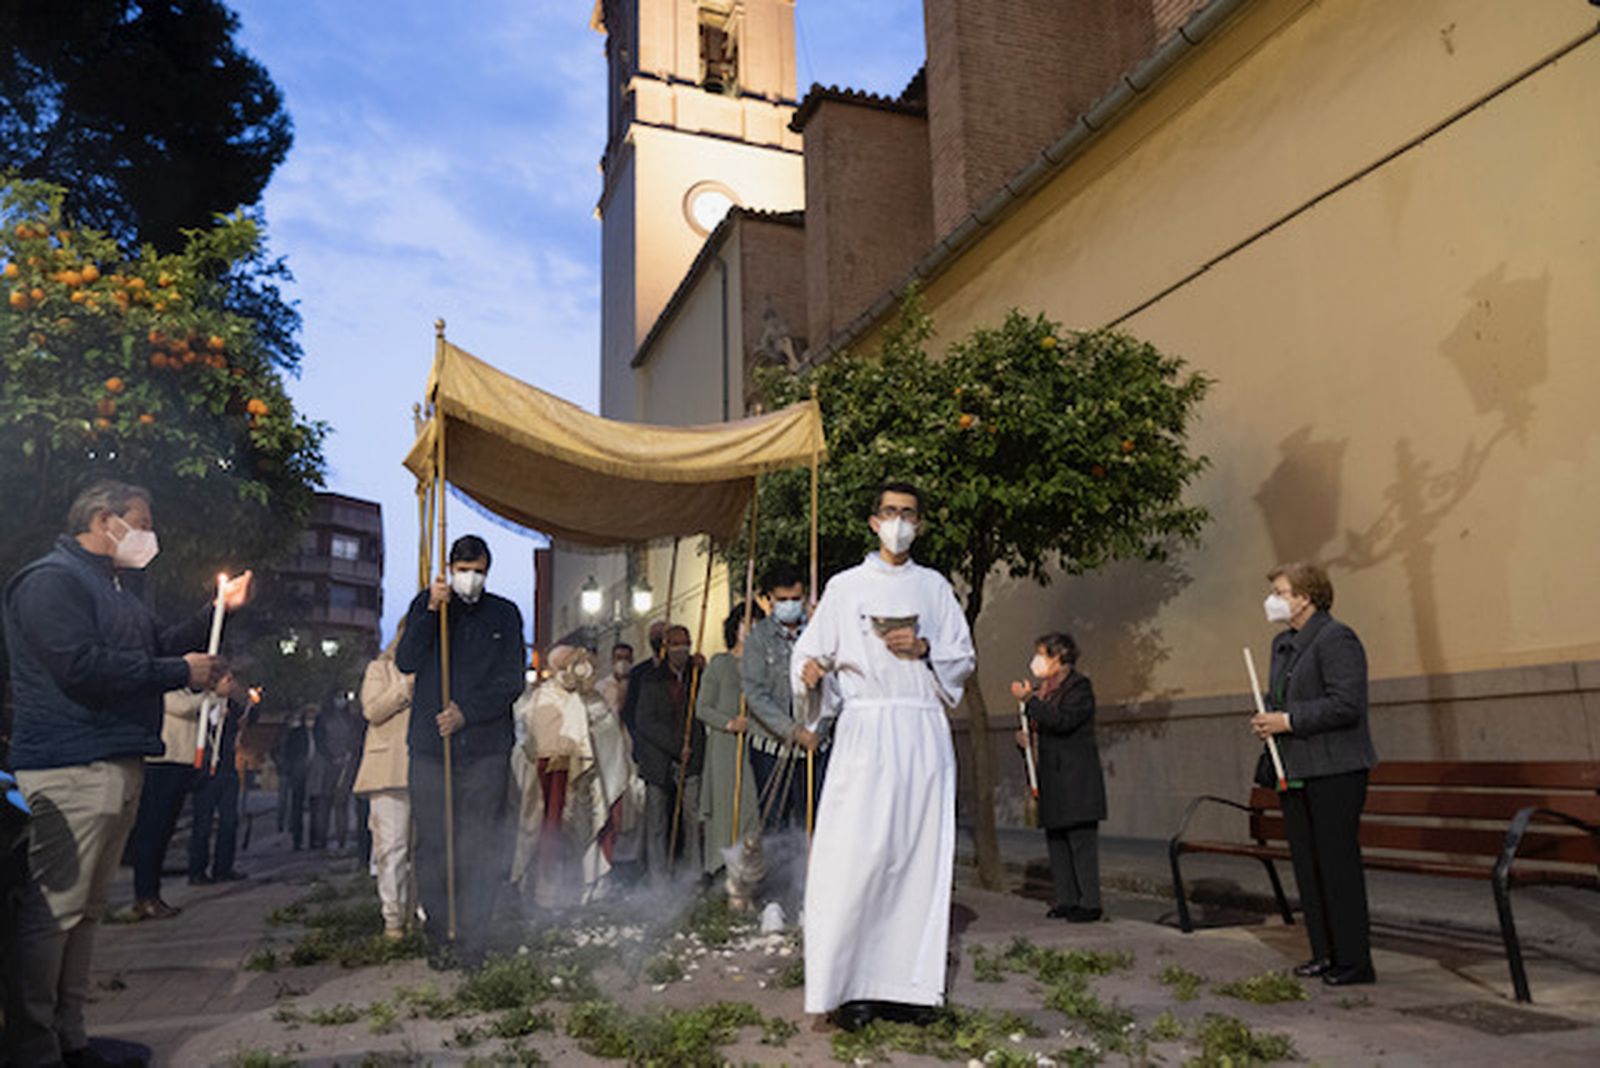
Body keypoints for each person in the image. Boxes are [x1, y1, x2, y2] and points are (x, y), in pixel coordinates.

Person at [0, 480, 247, 1067]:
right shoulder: (51, 582)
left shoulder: (114, 588)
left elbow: (155, 643)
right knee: (55, 909)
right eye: (142, 520)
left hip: (113, 756)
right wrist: (177, 670)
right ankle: (31, 1048)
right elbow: (80, 665)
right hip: (70, 760)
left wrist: (215, 615)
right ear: (105, 519)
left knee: (85, 911)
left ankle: (71, 1035)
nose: (148, 535)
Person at [793, 481, 975, 1031]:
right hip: (866, 733)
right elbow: (810, 650)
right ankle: (852, 987)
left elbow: (962, 658)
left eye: (909, 514)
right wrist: (808, 674)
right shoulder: (846, 588)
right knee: (858, 858)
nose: (900, 522)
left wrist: (925, 649)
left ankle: (908, 989)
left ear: (919, 524)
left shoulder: (935, 588)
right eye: (891, 512)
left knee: (915, 859)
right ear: (874, 522)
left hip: (921, 734)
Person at [396, 534, 525, 964]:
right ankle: (440, 932)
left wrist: (467, 712)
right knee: (434, 844)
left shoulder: (504, 614)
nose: (470, 579)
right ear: (450, 569)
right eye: (463, 570)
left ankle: (474, 937)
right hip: (432, 750)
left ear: (487, 570)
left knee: (479, 843)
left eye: (478, 571)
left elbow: (512, 680)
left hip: (485, 747)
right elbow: (407, 660)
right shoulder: (428, 607)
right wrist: (432, 611)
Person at [1252, 561, 1378, 987]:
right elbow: (1284, 698)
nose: (1273, 600)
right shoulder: (1283, 645)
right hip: (1297, 769)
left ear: (1305, 597)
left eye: (1280, 592)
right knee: (1308, 865)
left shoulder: (1336, 638)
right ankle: (1324, 952)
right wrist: (1270, 719)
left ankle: (1355, 960)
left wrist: (1288, 720)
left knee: (1336, 863)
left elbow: (1346, 704)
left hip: (1334, 769)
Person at [1011, 632, 1105, 923]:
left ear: (1060, 657)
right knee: (1058, 841)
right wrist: (1025, 740)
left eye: (1043, 654)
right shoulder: (1044, 691)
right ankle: (1066, 898)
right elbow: (1043, 725)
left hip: (1075, 778)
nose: (1037, 661)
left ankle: (1089, 902)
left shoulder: (1079, 688)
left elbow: (1063, 721)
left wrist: (1030, 701)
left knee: (1080, 841)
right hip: (1051, 777)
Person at [741, 563, 827, 831]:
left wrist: (818, 731)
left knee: (813, 819)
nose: (790, 605)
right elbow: (755, 694)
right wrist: (792, 731)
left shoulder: (819, 634)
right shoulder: (758, 639)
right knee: (773, 820)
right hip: (771, 747)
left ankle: (809, 871)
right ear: (769, 600)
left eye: (795, 599)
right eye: (783, 600)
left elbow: (836, 688)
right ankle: (777, 872)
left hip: (815, 744)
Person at [631, 624, 705, 881]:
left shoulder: (698, 675)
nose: (681, 650)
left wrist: (690, 747)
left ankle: (694, 873)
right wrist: (676, 745)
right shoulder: (651, 678)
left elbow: (700, 714)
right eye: (675, 644)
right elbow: (645, 721)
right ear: (665, 647)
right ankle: (658, 877)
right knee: (657, 822)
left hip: (691, 758)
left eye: (685, 643)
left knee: (692, 818)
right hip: (658, 759)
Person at [355, 625, 415, 939]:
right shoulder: (380, 668)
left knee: (424, 847)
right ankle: (393, 917)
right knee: (392, 847)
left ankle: (423, 913)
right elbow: (373, 710)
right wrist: (406, 685)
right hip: (389, 768)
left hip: (425, 764)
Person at [695, 603, 763, 874]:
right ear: (734, 627)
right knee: (725, 809)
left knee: (751, 809)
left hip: (755, 745)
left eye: (757, 624)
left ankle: (748, 870)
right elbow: (702, 708)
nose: (751, 629)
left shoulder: (763, 668)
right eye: (746, 623)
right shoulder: (720, 664)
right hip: (725, 748)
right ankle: (720, 868)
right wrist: (728, 722)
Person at [127, 688, 203, 920]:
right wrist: (211, 693)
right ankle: (145, 895)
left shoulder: (185, 688)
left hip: (180, 761)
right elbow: (182, 707)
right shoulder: (164, 684)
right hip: (162, 761)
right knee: (153, 829)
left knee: (164, 830)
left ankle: (152, 893)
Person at [189, 669, 248, 885]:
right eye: (228, 680)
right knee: (203, 823)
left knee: (229, 821)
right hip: (207, 769)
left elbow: (246, 716)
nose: (231, 684)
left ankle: (223, 867)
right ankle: (197, 870)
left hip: (227, 768)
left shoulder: (232, 706)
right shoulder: (204, 702)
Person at [311, 694, 363, 852]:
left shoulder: (351, 719)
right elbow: (319, 740)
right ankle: (322, 839)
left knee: (341, 803)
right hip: (327, 766)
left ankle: (341, 839)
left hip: (346, 765)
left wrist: (348, 755)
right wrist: (331, 756)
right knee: (324, 803)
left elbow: (355, 740)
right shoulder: (323, 718)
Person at [276, 705, 315, 850]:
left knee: (314, 807)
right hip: (298, 774)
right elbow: (289, 752)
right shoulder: (296, 733)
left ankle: (314, 840)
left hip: (314, 773)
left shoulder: (317, 732)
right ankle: (296, 839)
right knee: (296, 806)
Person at [619, 621, 666, 736]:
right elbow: (629, 708)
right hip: (645, 738)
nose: (658, 639)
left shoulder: (688, 667)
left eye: (661, 635)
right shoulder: (638, 672)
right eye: (654, 636)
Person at [595, 642, 634, 718]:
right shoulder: (602, 686)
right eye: (619, 658)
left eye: (627, 658)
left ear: (632, 660)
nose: (623, 662)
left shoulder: (638, 684)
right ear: (612, 660)